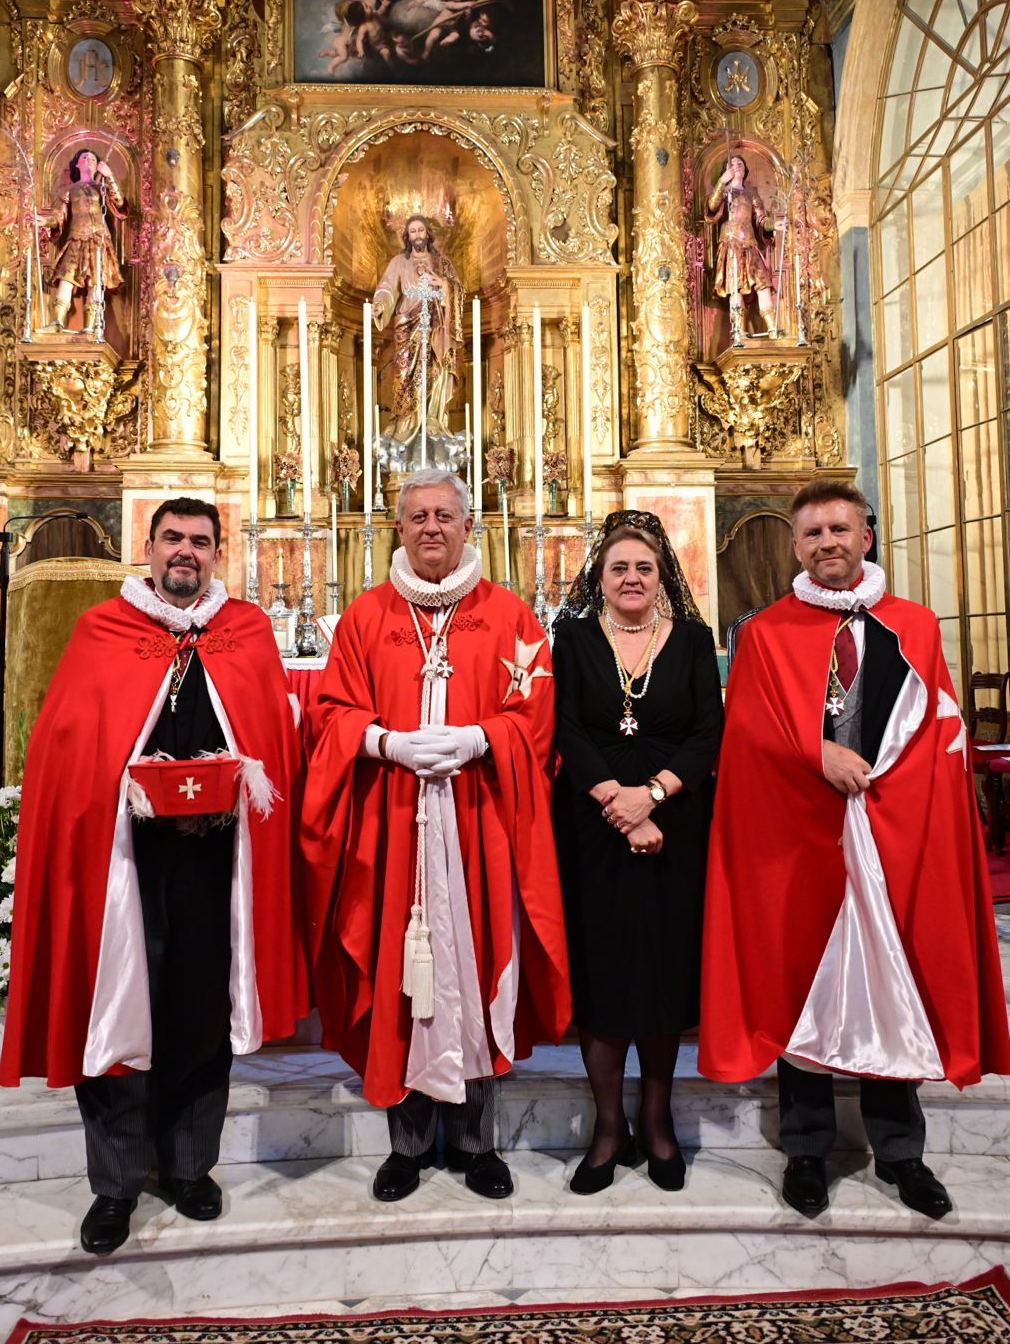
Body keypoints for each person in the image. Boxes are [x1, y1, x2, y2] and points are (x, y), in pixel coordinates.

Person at [0, 498, 306, 1255]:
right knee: (117, 1010)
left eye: (200, 541)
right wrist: (119, 789)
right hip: (123, 865)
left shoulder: (245, 632)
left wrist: (237, 780)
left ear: (217, 554)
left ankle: (189, 1166)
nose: (185, 552)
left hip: (214, 861)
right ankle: (115, 1183)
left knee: (198, 1011)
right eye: (173, 538)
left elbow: (271, 740)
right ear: (149, 547)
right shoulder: (104, 631)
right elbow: (71, 748)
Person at [700, 479, 1010, 1220]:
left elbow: (939, 726)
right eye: (812, 534)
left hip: (890, 828)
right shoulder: (764, 632)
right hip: (799, 836)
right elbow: (747, 732)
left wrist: (896, 790)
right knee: (800, 980)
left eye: (839, 529)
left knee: (889, 978)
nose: (826, 543)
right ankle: (806, 1149)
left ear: (865, 537)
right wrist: (818, 756)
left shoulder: (914, 624)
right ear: (795, 546)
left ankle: (900, 1153)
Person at [301, 469, 571, 1203]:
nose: (430, 527)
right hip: (393, 825)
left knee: (474, 969)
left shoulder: (510, 616)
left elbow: (536, 717)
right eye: (417, 516)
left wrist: (482, 738)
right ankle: (408, 1145)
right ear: (398, 527)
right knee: (400, 974)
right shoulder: (365, 617)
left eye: (444, 516)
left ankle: (477, 1144)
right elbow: (329, 714)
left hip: (479, 822)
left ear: (467, 527)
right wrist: (384, 743)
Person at [552, 513, 722, 1194]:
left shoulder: (692, 640)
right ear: (599, 577)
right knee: (602, 971)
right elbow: (564, 726)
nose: (630, 578)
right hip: (591, 824)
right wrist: (615, 803)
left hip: (674, 822)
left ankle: (656, 1120)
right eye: (618, 567)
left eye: (643, 568)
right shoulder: (571, 638)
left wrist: (649, 796)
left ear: (661, 577)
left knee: (660, 971)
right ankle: (606, 1127)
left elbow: (707, 732)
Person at [372, 214, 464, 453]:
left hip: (435, 326)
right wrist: (380, 304)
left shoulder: (441, 263)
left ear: (428, 234)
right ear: (407, 236)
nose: (417, 235)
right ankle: (404, 421)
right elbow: (387, 287)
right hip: (408, 325)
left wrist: (444, 285)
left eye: (420, 230)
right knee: (405, 373)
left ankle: (433, 417)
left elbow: (457, 288)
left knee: (436, 366)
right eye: (412, 231)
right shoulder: (399, 262)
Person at [39, 148, 125, 333]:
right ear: (77, 164)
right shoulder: (69, 190)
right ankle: (57, 321)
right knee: (66, 277)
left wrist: (109, 176)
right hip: (76, 238)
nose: (89, 160)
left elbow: (118, 202)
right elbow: (59, 215)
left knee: (96, 280)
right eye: (84, 157)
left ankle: (90, 326)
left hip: (98, 239)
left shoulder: (102, 187)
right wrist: (45, 221)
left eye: (93, 158)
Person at [705, 153, 778, 340]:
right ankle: (739, 331)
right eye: (732, 163)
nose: (737, 165)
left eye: (740, 163)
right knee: (735, 287)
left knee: (763, 284)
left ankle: (773, 328)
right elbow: (712, 206)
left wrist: (773, 225)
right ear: (727, 170)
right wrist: (722, 182)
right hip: (731, 244)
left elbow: (761, 220)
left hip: (750, 245)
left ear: (745, 169)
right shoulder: (725, 191)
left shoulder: (751, 194)